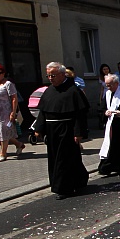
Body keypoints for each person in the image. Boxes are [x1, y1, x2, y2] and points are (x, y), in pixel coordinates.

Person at [34, 62, 89, 199]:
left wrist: (78, 132)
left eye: (53, 75)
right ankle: (78, 180)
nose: (50, 78)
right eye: (48, 76)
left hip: (67, 130)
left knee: (64, 159)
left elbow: (79, 114)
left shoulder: (73, 90)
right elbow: (43, 112)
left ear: (62, 74)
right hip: (52, 131)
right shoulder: (49, 91)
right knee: (56, 158)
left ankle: (65, 188)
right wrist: (39, 128)